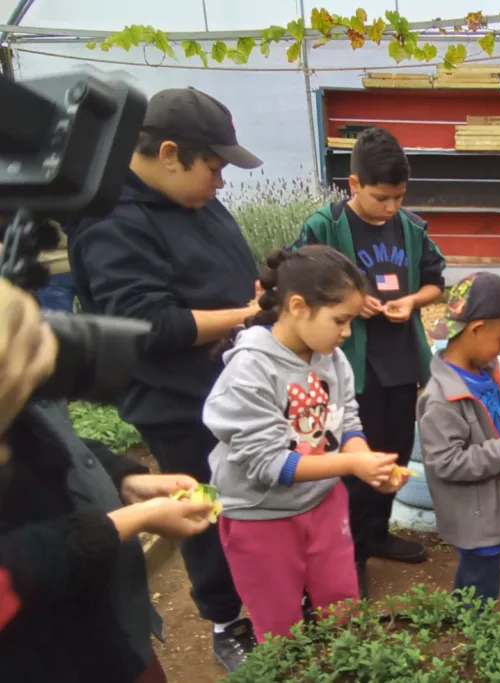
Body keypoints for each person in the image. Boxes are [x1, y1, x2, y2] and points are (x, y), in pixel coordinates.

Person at [68, 87, 263, 671]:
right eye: (216, 167)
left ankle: (265, 588)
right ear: (171, 154)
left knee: (250, 496)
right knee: (204, 509)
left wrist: (255, 293)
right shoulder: (111, 223)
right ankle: (228, 619)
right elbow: (147, 325)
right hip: (181, 405)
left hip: (232, 385)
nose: (221, 182)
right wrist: (249, 315)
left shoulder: (192, 200)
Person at [0, 278, 216, 683]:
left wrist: (123, 480)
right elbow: (13, 567)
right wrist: (128, 522)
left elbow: (48, 436)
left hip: (103, 625)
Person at [204, 246, 405, 642]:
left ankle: (344, 662)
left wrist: (368, 463)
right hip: (261, 516)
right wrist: (351, 467)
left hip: (323, 502)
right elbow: (270, 465)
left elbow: (347, 422)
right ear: (298, 306)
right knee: (279, 624)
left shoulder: (331, 357)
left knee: (342, 603)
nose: (347, 332)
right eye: (341, 320)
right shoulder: (250, 370)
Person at [294, 127, 445, 596]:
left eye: (399, 197)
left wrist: (412, 301)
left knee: (393, 452)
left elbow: (435, 281)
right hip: (347, 366)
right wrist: (348, 301)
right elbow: (299, 286)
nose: (391, 207)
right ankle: (352, 551)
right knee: (353, 461)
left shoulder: (413, 227)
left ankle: (377, 535)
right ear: (354, 184)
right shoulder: (323, 227)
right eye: (382, 197)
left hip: (399, 361)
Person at [417, 273, 500, 604]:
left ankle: (472, 615)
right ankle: (479, 629)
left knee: (484, 572)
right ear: (475, 330)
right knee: (480, 576)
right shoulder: (440, 400)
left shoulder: (482, 368)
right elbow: (447, 463)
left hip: (496, 503)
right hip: (477, 516)